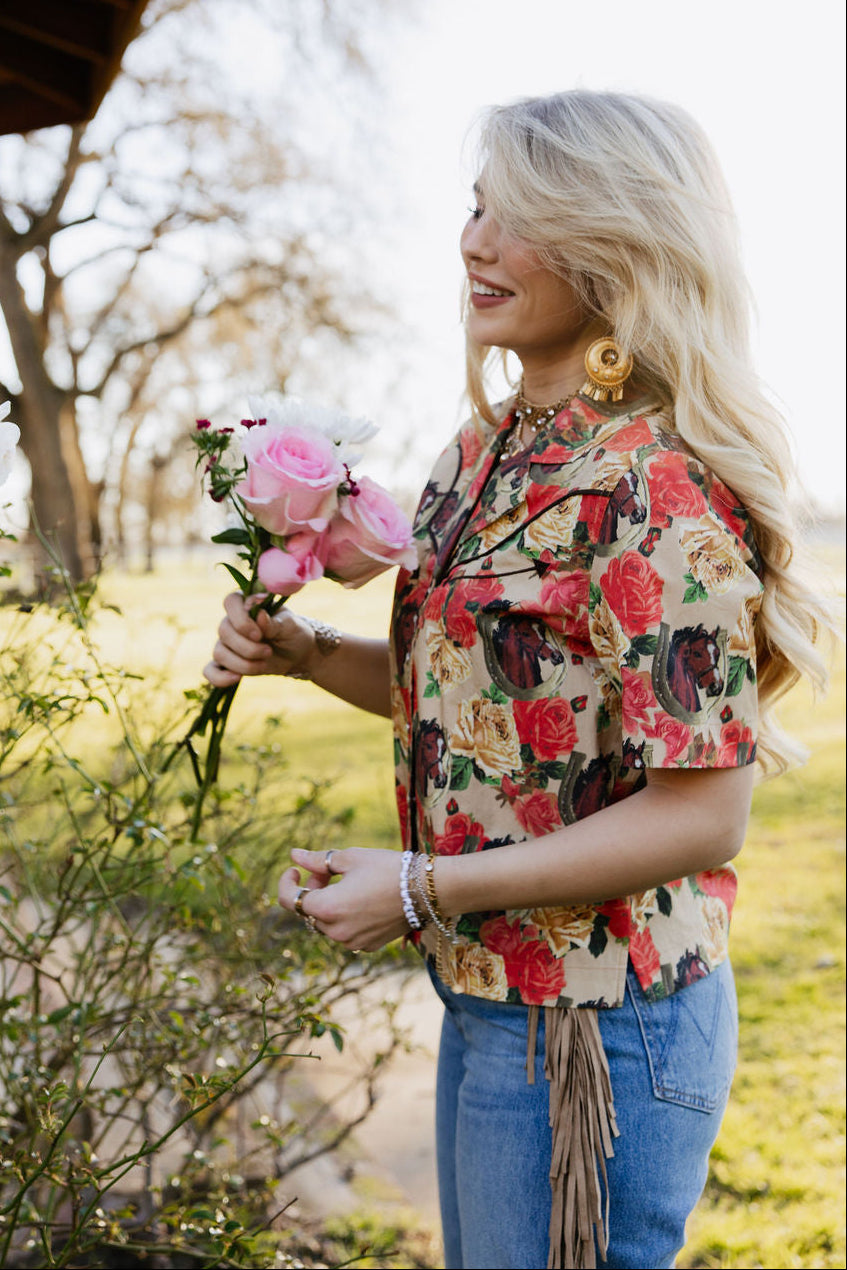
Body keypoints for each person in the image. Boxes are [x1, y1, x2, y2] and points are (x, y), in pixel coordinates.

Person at [203, 91, 828, 1270]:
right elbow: (486, 707)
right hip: (488, 991)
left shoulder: (652, 489)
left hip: (596, 1025)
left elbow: (705, 810)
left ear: (614, 245)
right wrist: (302, 652)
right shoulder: (483, 451)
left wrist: (423, 885)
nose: (473, 241)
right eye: (477, 206)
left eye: (518, 215)